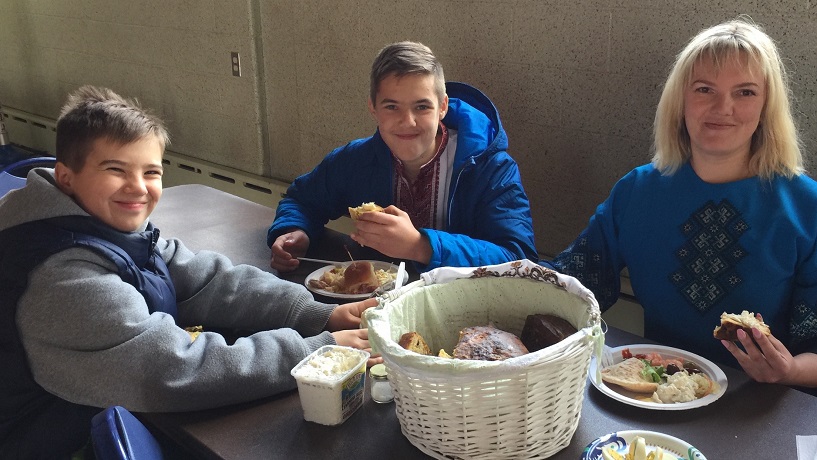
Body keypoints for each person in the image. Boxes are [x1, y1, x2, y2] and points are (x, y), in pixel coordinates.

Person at [0, 86, 378, 458]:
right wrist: (316, 352)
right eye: (115, 169)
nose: (138, 188)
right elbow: (171, 368)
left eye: (151, 172)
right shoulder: (60, 275)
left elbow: (209, 281)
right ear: (66, 177)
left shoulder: (103, 226)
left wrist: (317, 313)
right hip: (57, 442)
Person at [551, 19, 817, 391]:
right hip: (655, 397)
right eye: (705, 89)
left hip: (765, 407)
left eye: (745, 92)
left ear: (766, 106)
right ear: (680, 101)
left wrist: (788, 370)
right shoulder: (637, 191)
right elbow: (570, 286)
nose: (723, 107)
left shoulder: (806, 206)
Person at [268, 41, 538, 273]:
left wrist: (421, 246)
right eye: (391, 106)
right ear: (373, 108)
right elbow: (302, 200)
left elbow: (519, 259)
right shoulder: (356, 160)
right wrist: (295, 230)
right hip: (372, 306)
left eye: (422, 106)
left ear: (443, 106)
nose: (407, 122)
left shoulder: (492, 169)